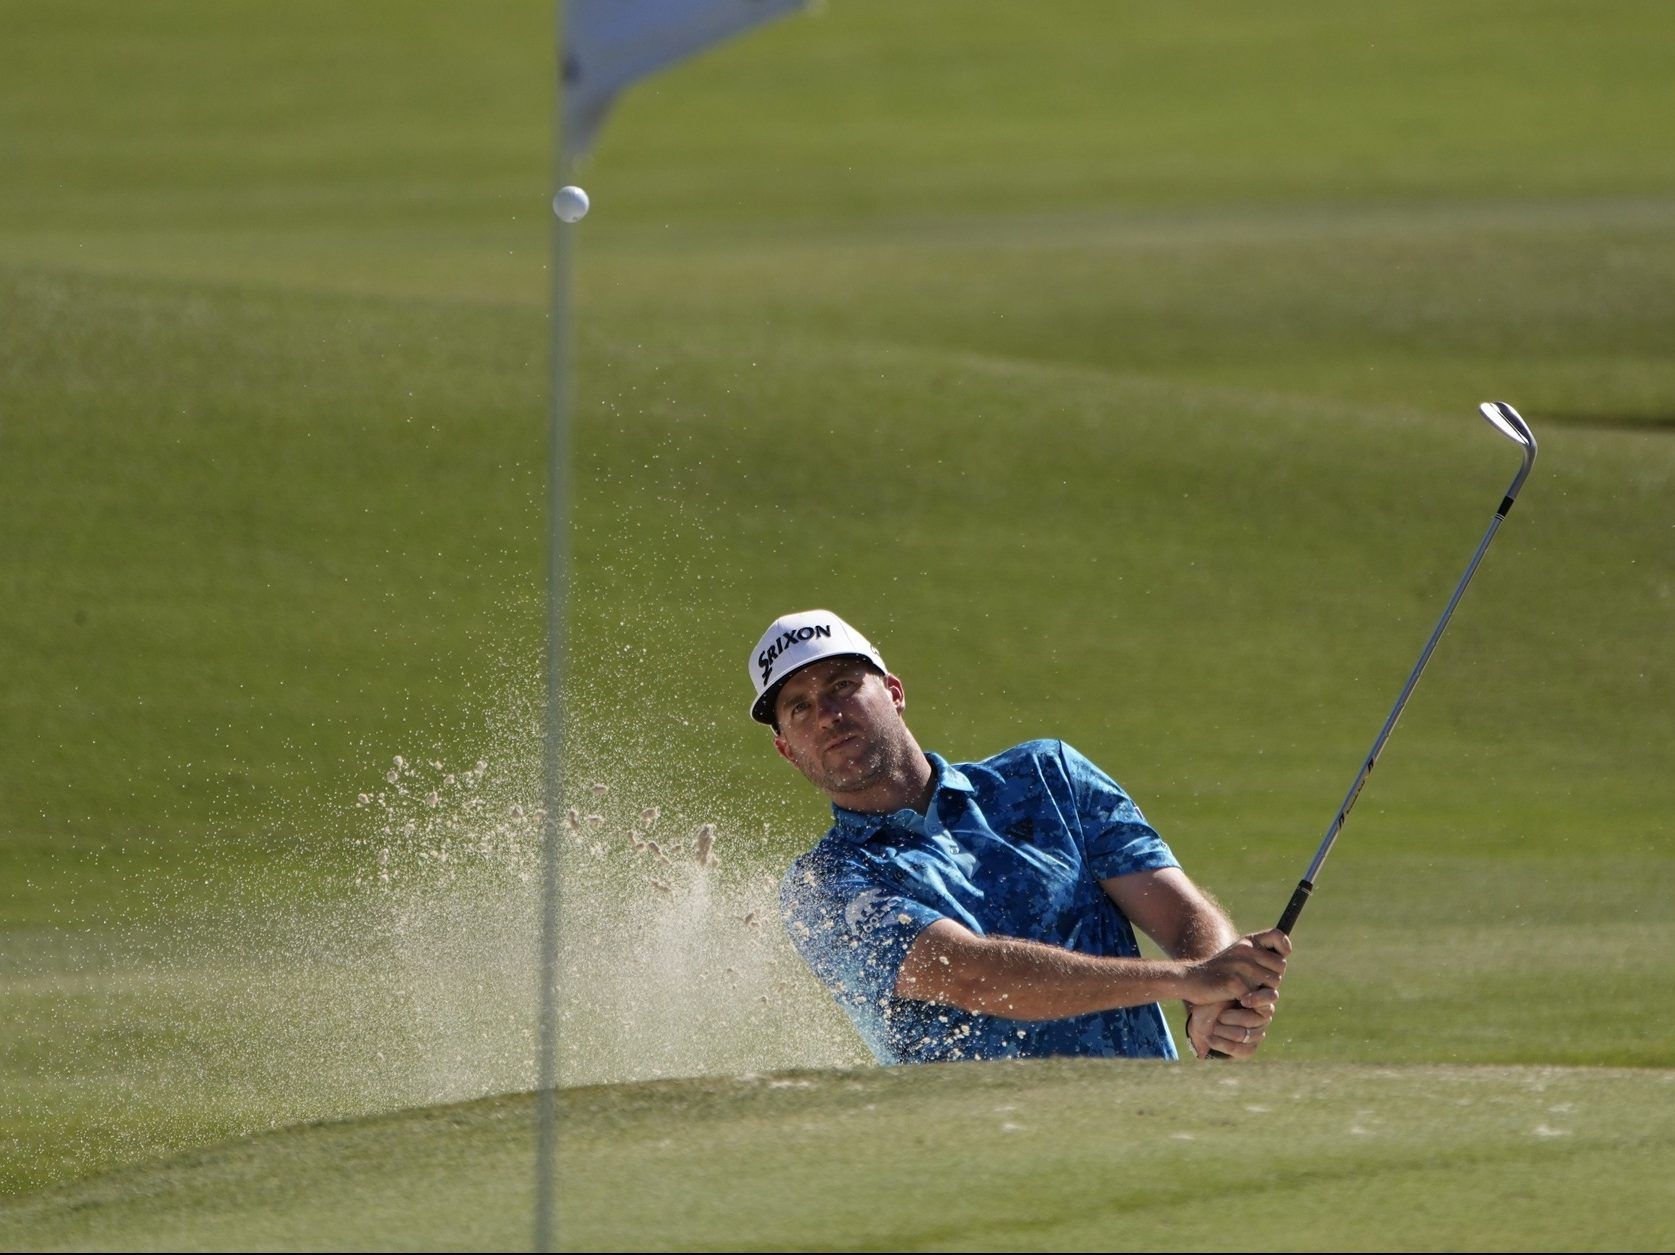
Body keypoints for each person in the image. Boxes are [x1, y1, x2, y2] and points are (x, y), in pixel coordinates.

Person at [752, 609, 1289, 1066]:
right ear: (786, 750)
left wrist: (1211, 1005)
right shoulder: (820, 888)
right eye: (799, 706)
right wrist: (1188, 981)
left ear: (893, 692)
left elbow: (1182, 913)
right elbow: (972, 977)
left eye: (843, 685)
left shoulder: (1046, 776)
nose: (827, 715)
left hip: (1145, 1128)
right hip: (975, 1164)